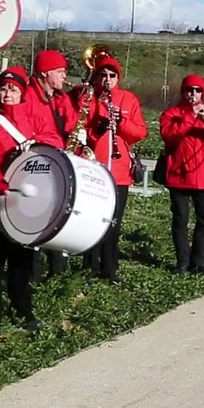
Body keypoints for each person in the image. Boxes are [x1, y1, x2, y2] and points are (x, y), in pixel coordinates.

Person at [0, 67, 64, 328]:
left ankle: (23, 310)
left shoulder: (34, 119)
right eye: (4, 88)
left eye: (13, 89)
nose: (7, 93)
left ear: (22, 93)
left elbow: (55, 141)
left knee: (22, 261)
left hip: (27, 205)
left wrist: (35, 142)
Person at [70, 55, 147, 282]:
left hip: (119, 171)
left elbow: (140, 133)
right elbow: (78, 128)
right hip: (92, 167)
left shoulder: (128, 99)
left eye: (112, 76)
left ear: (118, 78)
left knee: (113, 221)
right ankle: (89, 266)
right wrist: (96, 126)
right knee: (91, 218)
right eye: (103, 75)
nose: (107, 79)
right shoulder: (88, 98)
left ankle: (110, 268)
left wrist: (120, 124)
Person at [159, 74, 204, 274]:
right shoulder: (171, 114)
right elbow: (169, 136)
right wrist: (190, 116)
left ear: (202, 93)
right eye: (189, 90)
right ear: (183, 92)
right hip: (180, 174)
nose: (193, 94)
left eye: (197, 90)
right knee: (180, 220)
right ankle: (182, 262)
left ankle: (199, 261)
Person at [23, 49, 76, 278]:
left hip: (57, 164)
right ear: (45, 73)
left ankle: (57, 268)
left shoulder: (60, 97)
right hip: (36, 166)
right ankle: (32, 271)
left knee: (57, 214)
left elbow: (72, 125)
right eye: (60, 71)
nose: (65, 76)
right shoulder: (28, 97)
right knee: (35, 218)